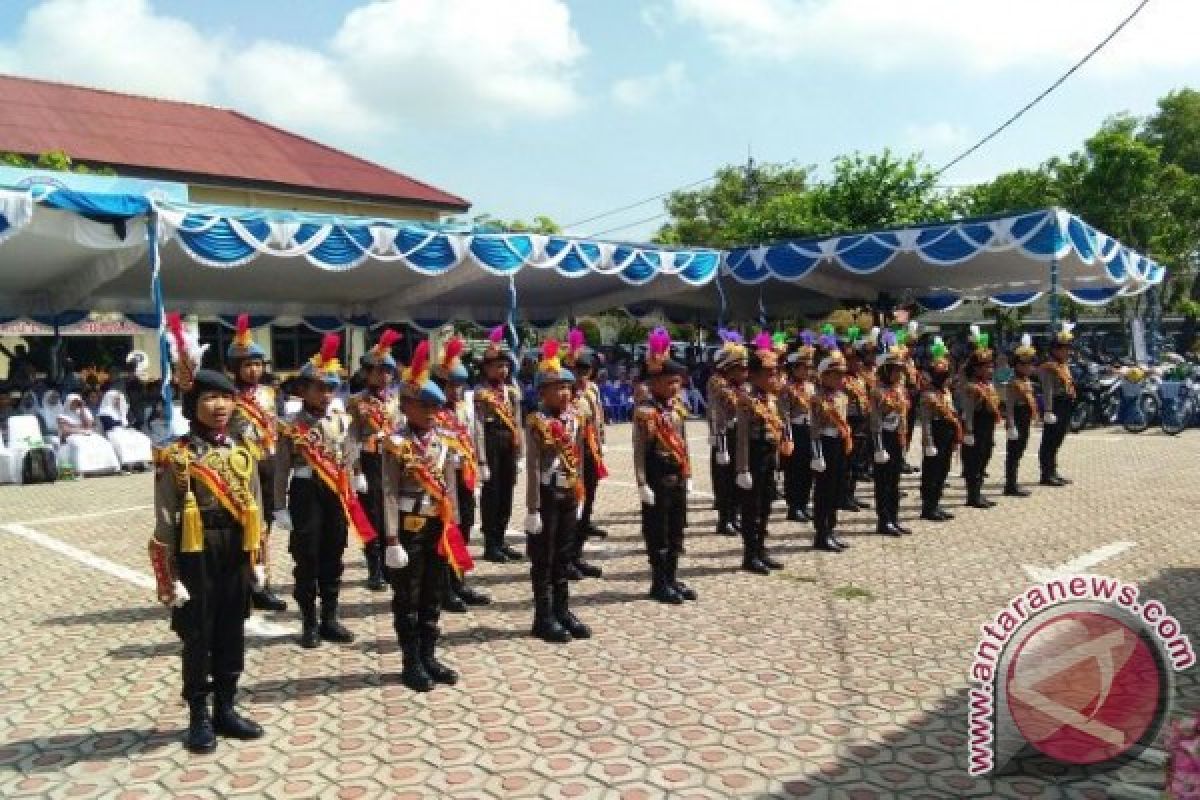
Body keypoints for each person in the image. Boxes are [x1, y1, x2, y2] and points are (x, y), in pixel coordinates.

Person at [149, 314, 264, 753]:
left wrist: (259, 560)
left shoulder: (242, 452)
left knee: (232, 628)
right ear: (193, 404)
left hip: (234, 549)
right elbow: (165, 517)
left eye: (226, 398)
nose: (220, 406)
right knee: (198, 633)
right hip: (195, 552)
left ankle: (227, 708)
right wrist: (169, 575)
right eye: (210, 398)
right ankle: (199, 713)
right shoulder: (175, 457)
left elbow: (253, 506)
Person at [274, 334, 377, 649]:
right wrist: (280, 505)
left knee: (334, 552)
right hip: (306, 492)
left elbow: (350, 452)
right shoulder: (290, 424)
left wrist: (357, 475)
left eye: (331, 388)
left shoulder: (341, 419)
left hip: (337, 492)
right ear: (303, 390)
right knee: (307, 556)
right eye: (320, 388)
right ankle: (309, 621)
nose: (326, 394)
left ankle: (330, 617)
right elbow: (281, 468)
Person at [382, 339, 473, 692]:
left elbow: (449, 484)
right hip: (408, 526)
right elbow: (388, 491)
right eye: (426, 405)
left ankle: (429, 655)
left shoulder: (442, 440)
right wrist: (391, 538)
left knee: (433, 592)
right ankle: (411, 661)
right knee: (408, 595)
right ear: (406, 405)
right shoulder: (396, 443)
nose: (434, 412)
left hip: (438, 524)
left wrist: (456, 524)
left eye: (437, 405)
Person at [523, 340, 591, 643]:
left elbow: (578, 457)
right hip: (547, 495)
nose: (565, 393)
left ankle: (563, 610)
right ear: (542, 393)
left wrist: (579, 494)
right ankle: (543, 615)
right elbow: (535, 467)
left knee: (564, 554)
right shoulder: (538, 422)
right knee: (544, 557)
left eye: (567, 387)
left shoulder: (575, 418)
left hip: (568, 492)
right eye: (557, 388)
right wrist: (533, 508)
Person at [225, 314, 288, 613]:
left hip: (268, 463)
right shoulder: (227, 396)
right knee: (245, 524)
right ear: (234, 369)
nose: (253, 370)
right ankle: (245, 582)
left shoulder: (268, 393)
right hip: (241, 467)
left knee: (265, 526)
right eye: (247, 365)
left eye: (258, 364)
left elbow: (275, 426)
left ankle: (261, 582)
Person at [633, 328, 694, 604]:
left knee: (676, 527)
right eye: (670, 382)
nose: (675, 387)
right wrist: (642, 483)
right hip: (657, 474)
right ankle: (659, 582)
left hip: (677, 472)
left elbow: (684, 442)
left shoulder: (677, 408)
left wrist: (688, 472)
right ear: (655, 382)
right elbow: (639, 451)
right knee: (658, 529)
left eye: (678, 382)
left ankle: (672, 576)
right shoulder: (646, 412)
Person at [431, 334, 491, 610]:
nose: (457, 390)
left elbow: (474, 435)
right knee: (446, 531)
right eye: (452, 385)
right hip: (443, 481)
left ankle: (459, 581)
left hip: (464, 476)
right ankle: (443, 587)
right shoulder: (431, 413)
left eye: (459, 385)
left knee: (464, 528)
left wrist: (480, 463)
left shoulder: (462, 409)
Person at [345, 329, 403, 593]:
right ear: (366, 374)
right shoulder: (356, 402)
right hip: (370, 462)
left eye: (387, 371)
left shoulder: (398, 400)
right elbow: (351, 437)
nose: (383, 376)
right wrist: (356, 470)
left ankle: (392, 563)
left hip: (395, 461)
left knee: (394, 511)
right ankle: (374, 566)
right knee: (372, 515)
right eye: (377, 371)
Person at [735, 333, 791, 575]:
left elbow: (777, 427)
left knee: (766, 504)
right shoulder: (747, 399)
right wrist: (743, 468)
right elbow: (743, 437)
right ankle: (750, 554)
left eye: (775, 372)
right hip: (754, 454)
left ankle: (761, 549)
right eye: (769, 373)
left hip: (768, 453)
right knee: (752, 507)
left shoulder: (771, 398)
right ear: (755, 375)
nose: (774, 377)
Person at [475, 327, 525, 563]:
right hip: (491, 442)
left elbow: (517, 423)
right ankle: (490, 543)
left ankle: (501, 538)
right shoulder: (480, 393)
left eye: (505, 366)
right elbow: (477, 427)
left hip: (508, 444)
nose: (502, 370)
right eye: (497, 366)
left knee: (507, 493)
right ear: (486, 369)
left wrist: (520, 453)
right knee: (492, 494)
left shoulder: (512, 392)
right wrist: (481, 459)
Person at [564, 329, 608, 556]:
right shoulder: (565, 396)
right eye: (576, 370)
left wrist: (601, 443)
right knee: (575, 501)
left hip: (591, 450)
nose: (581, 376)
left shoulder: (592, 390)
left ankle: (578, 548)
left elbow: (598, 418)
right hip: (572, 454)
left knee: (589, 495)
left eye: (585, 371)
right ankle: (570, 552)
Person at [809, 349, 852, 553]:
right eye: (835, 374)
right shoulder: (816, 399)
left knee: (836, 488)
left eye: (841, 375)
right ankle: (821, 532)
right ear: (824, 376)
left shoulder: (842, 397)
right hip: (824, 444)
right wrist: (817, 454)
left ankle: (831, 529)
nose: (839, 378)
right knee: (823, 491)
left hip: (838, 444)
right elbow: (814, 429)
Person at [870, 334, 912, 536]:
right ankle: (883, 520)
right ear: (886, 371)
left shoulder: (900, 390)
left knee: (894, 481)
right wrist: (878, 447)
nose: (899, 374)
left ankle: (894, 518)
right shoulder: (877, 391)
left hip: (896, 437)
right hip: (883, 439)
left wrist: (903, 438)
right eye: (895, 370)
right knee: (883, 481)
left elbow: (903, 415)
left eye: (900, 370)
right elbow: (875, 421)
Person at [707, 330, 747, 537]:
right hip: (724, 436)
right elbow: (716, 414)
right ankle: (725, 519)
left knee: (737, 477)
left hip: (738, 436)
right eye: (740, 368)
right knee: (724, 481)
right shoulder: (718, 384)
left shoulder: (740, 386)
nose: (744, 372)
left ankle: (735, 515)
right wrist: (720, 444)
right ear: (729, 368)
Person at [919, 338, 962, 522]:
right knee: (932, 472)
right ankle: (928, 507)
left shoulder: (945, 393)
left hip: (946, 432)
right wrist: (928, 443)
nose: (946, 378)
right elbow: (926, 422)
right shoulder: (928, 395)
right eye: (942, 375)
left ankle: (936, 503)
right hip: (935, 433)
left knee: (943, 469)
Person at [959, 327, 1001, 510]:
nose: (989, 369)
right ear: (976, 368)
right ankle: (973, 495)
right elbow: (968, 410)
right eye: (985, 366)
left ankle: (978, 492)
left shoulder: (987, 384)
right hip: (976, 423)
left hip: (987, 423)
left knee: (985, 455)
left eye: (990, 366)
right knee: (974, 459)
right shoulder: (971, 386)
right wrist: (967, 430)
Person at [778, 333, 816, 522]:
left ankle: (803, 503)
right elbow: (784, 414)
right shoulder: (787, 388)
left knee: (808, 469)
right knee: (795, 471)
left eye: (809, 367)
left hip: (809, 429)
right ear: (794, 368)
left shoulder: (810, 386)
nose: (807, 371)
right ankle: (794, 506)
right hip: (795, 429)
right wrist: (788, 436)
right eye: (803, 367)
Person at [1038, 322, 1077, 487]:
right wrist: (1047, 410)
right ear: (1054, 350)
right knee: (1050, 440)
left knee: (1058, 439)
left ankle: (1053, 471)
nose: (1067, 351)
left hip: (1065, 404)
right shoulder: (1050, 366)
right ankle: (1046, 474)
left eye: (1068, 348)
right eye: (1064, 348)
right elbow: (1047, 389)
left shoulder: (1063, 365)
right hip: (1055, 405)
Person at [1003, 334, 1039, 497]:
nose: (1029, 367)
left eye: (1030, 364)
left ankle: (1013, 482)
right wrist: (1010, 425)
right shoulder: (1013, 382)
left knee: (1020, 449)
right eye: (1026, 364)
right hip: (1017, 416)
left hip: (1024, 417)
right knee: (1014, 452)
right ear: (1018, 366)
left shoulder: (1026, 380)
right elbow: (1009, 406)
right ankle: (1010, 484)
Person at [840, 329, 871, 512]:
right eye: (854, 360)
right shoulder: (842, 380)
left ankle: (851, 494)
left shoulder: (860, 378)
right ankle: (843, 496)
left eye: (860, 360)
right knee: (846, 462)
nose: (858, 363)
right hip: (848, 420)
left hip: (861, 421)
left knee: (856, 462)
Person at [57, 392, 121, 475]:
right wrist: (80, 431)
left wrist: (82, 410)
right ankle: (83, 470)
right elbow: (66, 430)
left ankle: (109, 467)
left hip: (87, 434)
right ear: (69, 403)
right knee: (79, 445)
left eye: (78, 402)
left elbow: (88, 425)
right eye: (74, 402)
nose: (76, 404)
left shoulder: (83, 412)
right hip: (71, 436)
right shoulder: (62, 416)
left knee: (104, 443)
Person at [98, 388, 154, 469]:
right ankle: (127, 464)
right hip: (113, 432)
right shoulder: (104, 411)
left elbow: (131, 421)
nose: (117, 401)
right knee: (123, 443)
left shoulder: (122, 410)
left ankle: (140, 462)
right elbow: (109, 425)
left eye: (118, 399)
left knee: (143, 439)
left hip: (125, 431)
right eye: (115, 399)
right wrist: (122, 423)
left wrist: (124, 410)